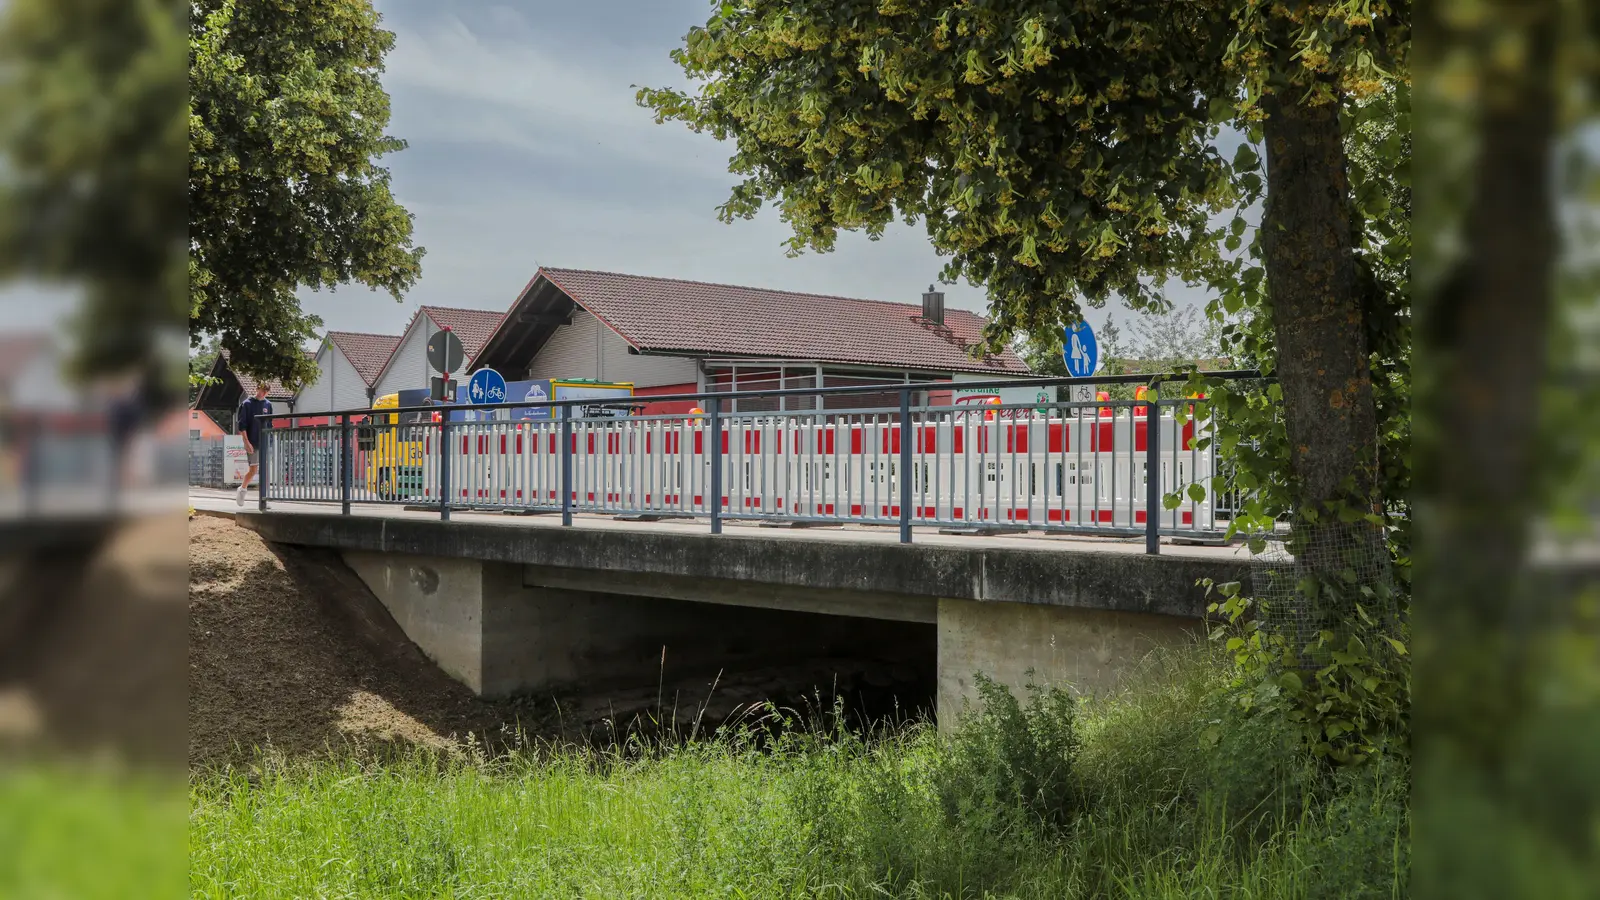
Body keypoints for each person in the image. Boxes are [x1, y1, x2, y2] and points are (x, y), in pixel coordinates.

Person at [235, 383, 272, 505]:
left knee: (265, 470)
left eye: (266, 391)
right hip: (252, 441)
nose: (263, 393)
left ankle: (264, 500)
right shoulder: (247, 404)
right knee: (253, 470)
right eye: (262, 390)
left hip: (264, 441)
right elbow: (242, 425)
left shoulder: (268, 404)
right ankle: (242, 490)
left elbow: (270, 423)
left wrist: (270, 440)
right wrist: (246, 442)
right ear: (257, 389)